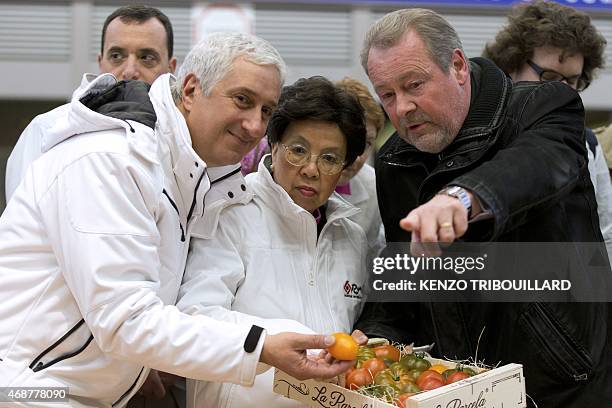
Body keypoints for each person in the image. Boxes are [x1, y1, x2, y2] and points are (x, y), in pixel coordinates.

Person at [0, 32, 353, 407]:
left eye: (266, 111)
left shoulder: (193, 180)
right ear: (189, 90)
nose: (254, 126)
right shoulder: (111, 160)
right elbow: (126, 321)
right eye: (242, 100)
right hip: (26, 389)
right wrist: (261, 345)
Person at [354, 8, 611, 407]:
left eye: (414, 85)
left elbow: (536, 164)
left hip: (561, 381)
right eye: (387, 94)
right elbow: (406, 266)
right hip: (458, 385)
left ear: (457, 66)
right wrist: (374, 331)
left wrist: (462, 199)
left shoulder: (543, 106)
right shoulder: (395, 160)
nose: (402, 107)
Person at [176, 76, 368, 408]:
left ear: (344, 169)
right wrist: (268, 342)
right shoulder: (229, 213)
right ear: (273, 146)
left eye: (329, 158)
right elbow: (193, 317)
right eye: (298, 150)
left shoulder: (352, 237)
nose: (311, 169)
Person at [5, 4, 177, 202]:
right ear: (100, 62)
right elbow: (23, 222)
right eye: (116, 56)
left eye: (146, 57)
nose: (130, 70)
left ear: (170, 68)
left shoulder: (184, 138)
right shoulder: (45, 130)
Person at [482, 0, 612, 263]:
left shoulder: (588, 144)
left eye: (572, 81)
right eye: (550, 77)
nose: (564, 92)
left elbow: (605, 234)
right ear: (511, 66)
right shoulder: (479, 137)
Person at [335, 77, 386, 261]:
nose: (356, 156)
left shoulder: (373, 185)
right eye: (350, 140)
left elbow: (371, 255)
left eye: (366, 144)